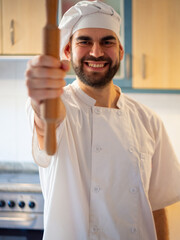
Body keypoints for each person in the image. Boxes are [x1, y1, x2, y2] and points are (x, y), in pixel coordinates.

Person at [25, 1, 180, 239]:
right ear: (67, 51)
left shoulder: (148, 121)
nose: (96, 52)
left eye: (107, 42)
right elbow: (46, 120)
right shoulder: (58, 104)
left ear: (120, 52)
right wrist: (40, 95)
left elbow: (157, 205)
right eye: (84, 41)